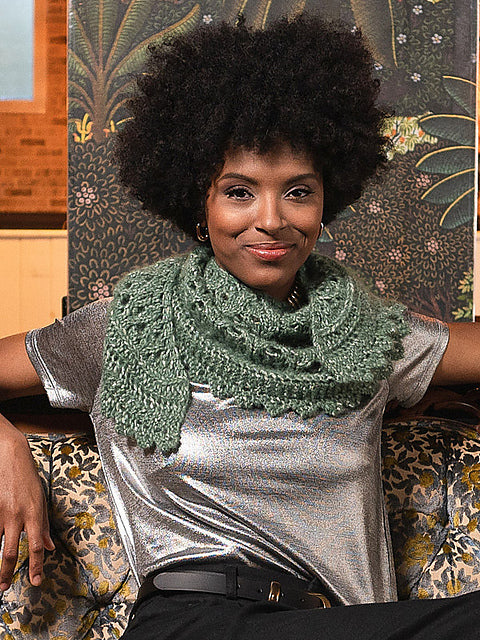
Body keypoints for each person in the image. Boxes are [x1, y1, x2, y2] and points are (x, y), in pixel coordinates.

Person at [1, 15, 479, 640]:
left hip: (344, 623)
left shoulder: (367, 336)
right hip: (194, 620)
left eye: (298, 192)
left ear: (325, 202)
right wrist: (4, 443)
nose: (272, 219)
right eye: (239, 192)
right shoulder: (128, 324)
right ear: (199, 203)